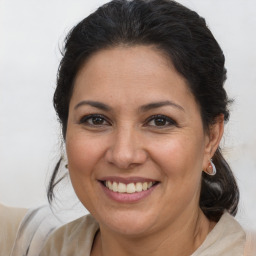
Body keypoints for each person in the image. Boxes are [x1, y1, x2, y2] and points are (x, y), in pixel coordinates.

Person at [1, 0, 255, 255]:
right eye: (96, 120)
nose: (123, 155)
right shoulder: (31, 246)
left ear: (211, 137)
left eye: (159, 121)